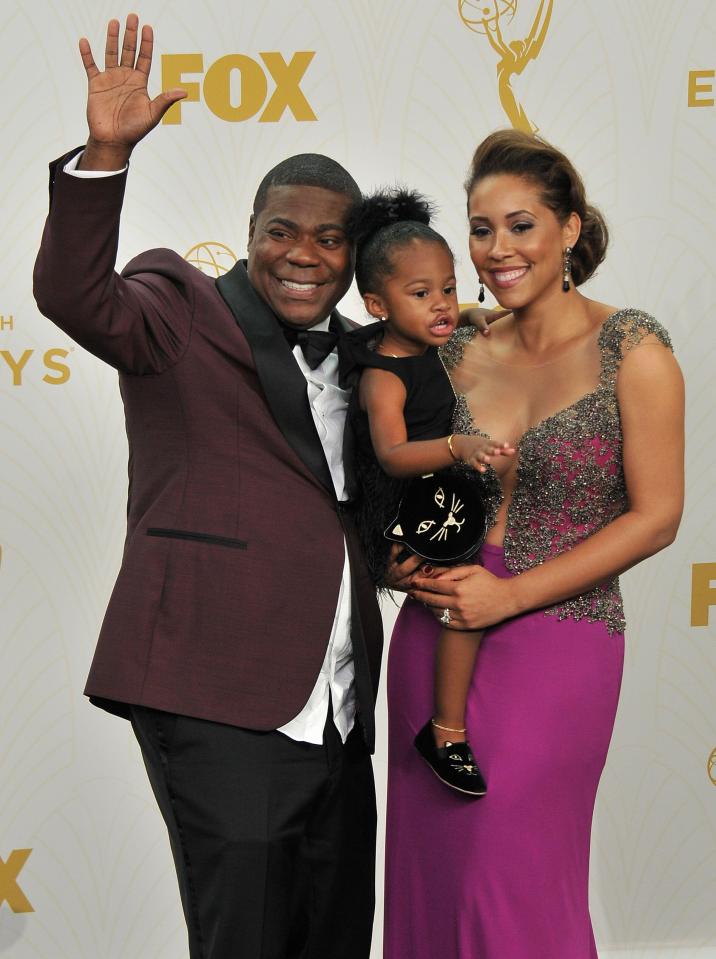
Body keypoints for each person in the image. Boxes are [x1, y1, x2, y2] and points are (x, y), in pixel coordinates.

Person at [32, 14, 384, 959]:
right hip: (218, 687)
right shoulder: (180, 308)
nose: (304, 252)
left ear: (355, 257)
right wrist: (106, 158)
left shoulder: (369, 360)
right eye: (282, 232)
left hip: (343, 708)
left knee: (333, 938)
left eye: (330, 239)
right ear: (251, 235)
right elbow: (77, 297)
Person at [383, 129, 684, 958]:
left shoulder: (635, 347)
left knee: (510, 872)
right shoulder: (455, 346)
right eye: (481, 229)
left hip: (561, 638)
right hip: (436, 635)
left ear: (571, 230)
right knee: (432, 874)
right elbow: (391, 473)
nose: (497, 249)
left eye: (520, 225)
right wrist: (396, 557)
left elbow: (658, 516)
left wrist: (510, 592)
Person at [342, 187, 514, 796]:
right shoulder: (383, 376)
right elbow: (391, 455)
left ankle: (452, 723)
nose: (441, 304)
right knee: (460, 606)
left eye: (448, 287)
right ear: (376, 304)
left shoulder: (425, 342)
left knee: (469, 602)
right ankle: (445, 731)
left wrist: (466, 316)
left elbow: (447, 318)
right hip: (399, 515)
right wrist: (455, 448)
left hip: (433, 502)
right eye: (422, 295)